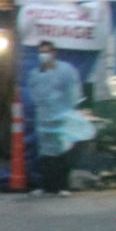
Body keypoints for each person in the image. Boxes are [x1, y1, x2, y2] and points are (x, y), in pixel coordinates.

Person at [25, 40, 88, 195]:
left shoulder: (66, 71)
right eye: (41, 52)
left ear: (54, 53)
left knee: (62, 151)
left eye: (46, 51)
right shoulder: (35, 74)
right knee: (45, 152)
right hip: (43, 118)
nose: (43, 55)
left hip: (62, 116)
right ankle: (47, 186)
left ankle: (62, 186)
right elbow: (34, 94)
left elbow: (73, 93)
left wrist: (69, 112)